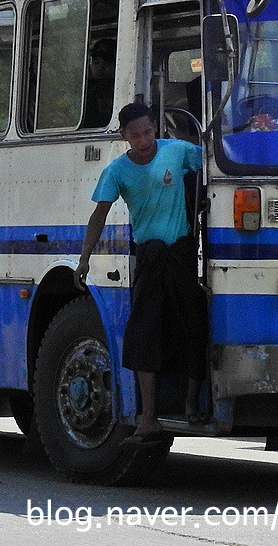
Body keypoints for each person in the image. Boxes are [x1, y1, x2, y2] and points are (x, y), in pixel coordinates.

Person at [75, 101, 206, 443]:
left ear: (154, 129)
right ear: (124, 137)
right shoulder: (117, 171)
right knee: (145, 334)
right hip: (148, 257)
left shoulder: (177, 151)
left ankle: (192, 404)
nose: (143, 140)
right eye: (135, 135)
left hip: (182, 255)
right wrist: (84, 258)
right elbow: (99, 215)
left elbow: (212, 162)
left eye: (147, 132)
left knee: (192, 326)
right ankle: (149, 417)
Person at [81, 37, 117, 128]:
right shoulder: (83, 90)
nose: (101, 68)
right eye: (96, 62)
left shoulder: (118, 90)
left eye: (108, 63)